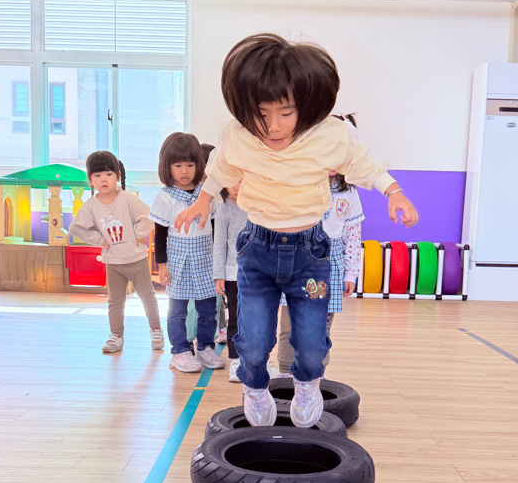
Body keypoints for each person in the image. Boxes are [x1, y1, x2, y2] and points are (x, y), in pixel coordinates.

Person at [175, 33, 417, 426]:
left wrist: (394, 192)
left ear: (305, 105)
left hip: (310, 256)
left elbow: (363, 164)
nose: (273, 126)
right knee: (253, 339)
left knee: (310, 337)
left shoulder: (329, 135)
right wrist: (203, 199)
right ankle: (255, 388)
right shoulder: (238, 136)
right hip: (257, 252)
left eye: (286, 112)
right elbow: (221, 169)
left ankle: (307, 384)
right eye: (261, 113)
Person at [276, 153, 364, 374]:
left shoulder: (349, 193)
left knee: (321, 325)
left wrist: (351, 273)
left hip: (330, 263)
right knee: (289, 322)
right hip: (298, 260)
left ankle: (316, 372)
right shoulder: (300, 186)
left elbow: (353, 236)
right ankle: (286, 371)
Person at [69, 150, 163, 355]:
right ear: (90, 179)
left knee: (147, 296)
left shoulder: (127, 199)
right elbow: (75, 227)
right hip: (113, 263)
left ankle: (156, 330)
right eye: (97, 175)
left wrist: (136, 233)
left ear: (118, 176)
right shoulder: (91, 206)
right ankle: (116, 335)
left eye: (109, 174)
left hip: (136, 260)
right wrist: (100, 240)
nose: (103, 179)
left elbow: (150, 215)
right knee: (115, 301)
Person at [150, 132, 224, 374]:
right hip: (177, 261)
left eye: (190, 165)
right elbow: (159, 235)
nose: (184, 171)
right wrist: (162, 266)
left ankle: (205, 347)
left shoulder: (207, 194)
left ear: (199, 165)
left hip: (205, 259)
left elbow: (215, 230)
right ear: (167, 166)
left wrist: (219, 264)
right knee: (177, 310)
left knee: (208, 309)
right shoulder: (166, 197)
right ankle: (180, 351)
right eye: (178, 165)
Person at [213, 181, 250, 383]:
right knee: (235, 318)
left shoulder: (257, 206)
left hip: (258, 273)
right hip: (233, 274)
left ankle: (255, 359)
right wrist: (219, 275)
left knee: (257, 319)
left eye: (241, 180)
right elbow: (219, 244)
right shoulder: (223, 209)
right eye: (231, 181)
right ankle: (236, 360)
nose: (236, 186)